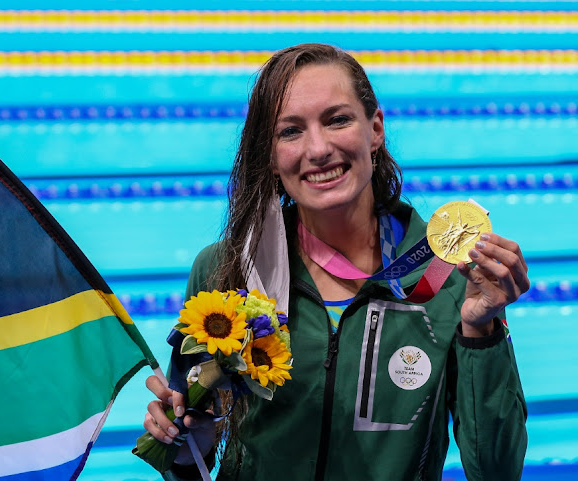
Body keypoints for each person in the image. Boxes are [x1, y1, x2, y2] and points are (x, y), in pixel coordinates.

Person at [143, 43, 529, 481]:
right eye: (291, 131)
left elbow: (497, 471)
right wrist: (184, 443)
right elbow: (186, 459)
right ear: (270, 156)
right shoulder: (226, 270)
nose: (319, 148)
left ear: (376, 129)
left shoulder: (448, 278)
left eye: (337, 119)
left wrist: (482, 329)